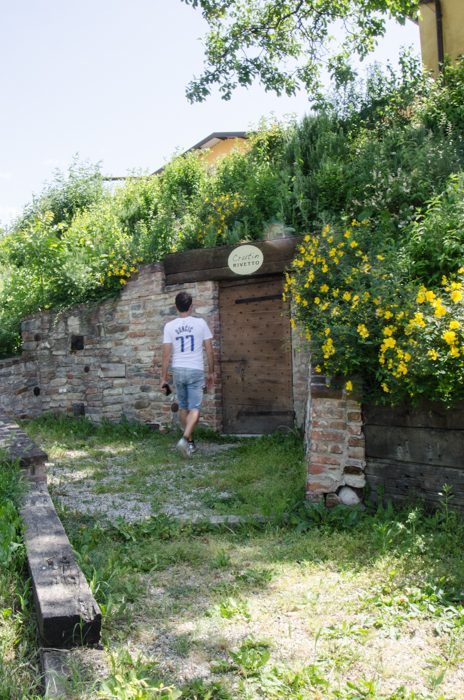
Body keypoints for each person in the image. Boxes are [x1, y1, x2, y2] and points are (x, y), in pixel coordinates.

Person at [161, 291, 215, 458]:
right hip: (195, 369)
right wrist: (212, 372)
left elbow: (166, 355)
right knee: (195, 408)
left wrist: (164, 378)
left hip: (178, 370)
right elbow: (209, 350)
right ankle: (185, 439)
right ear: (191, 306)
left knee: (183, 407)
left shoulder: (169, 326)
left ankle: (190, 444)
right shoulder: (200, 323)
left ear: (176, 307)